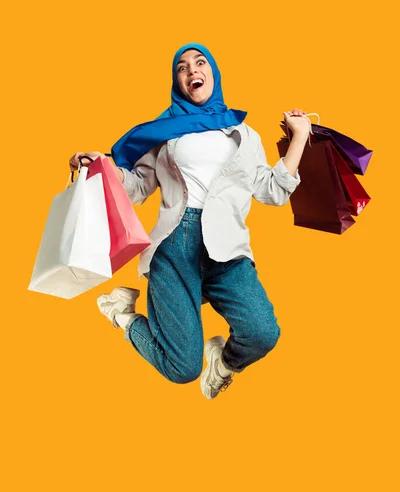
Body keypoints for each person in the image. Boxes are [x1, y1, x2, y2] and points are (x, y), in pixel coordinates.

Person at [69, 42, 310, 399]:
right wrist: (104, 168)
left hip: (227, 250)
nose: (191, 70)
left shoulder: (245, 135)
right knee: (182, 369)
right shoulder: (166, 132)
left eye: (200, 63)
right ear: (177, 81)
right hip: (175, 248)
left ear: (213, 72)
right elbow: (137, 186)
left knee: (262, 333)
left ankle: (224, 363)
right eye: (182, 67)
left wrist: (300, 137)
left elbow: (272, 191)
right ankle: (124, 315)